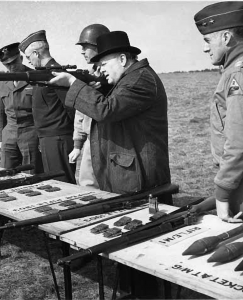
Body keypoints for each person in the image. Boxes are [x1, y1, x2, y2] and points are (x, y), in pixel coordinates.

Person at [49, 30, 171, 299]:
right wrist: (90, 86)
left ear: (124, 59)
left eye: (104, 64)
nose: (101, 70)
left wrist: (74, 84)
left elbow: (107, 109)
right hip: (129, 176)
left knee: (141, 244)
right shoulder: (129, 78)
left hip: (142, 180)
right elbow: (105, 103)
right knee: (129, 244)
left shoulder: (139, 80)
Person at [192, 1, 243, 222]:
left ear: (226, 38)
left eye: (207, 40)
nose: (205, 48)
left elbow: (240, 141)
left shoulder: (239, 75)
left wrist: (222, 194)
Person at [19, 30, 76, 183]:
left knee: (63, 183)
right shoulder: (43, 73)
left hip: (58, 138)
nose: (28, 61)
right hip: (49, 137)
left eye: (28, 56)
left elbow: (71, 107)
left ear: (36, 53)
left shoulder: (55, 73)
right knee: (55, 182)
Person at [69, 24, 110, 188]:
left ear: (99, 48)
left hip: (110, 140)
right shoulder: (89, 76)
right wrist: (77, 144)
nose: (82, 51)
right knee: (87, 185)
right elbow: (80, 114)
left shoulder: (113, 77)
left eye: (86, 47)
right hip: (89, 142)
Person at [0, 42, 43, 173]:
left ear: (21, 59)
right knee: (6, 173)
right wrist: (0, 138)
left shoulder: (35, 77)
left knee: (32, 174)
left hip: (31, 134)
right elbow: (0, 113)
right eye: (7, 64)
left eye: (13, 62)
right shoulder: (1, 81)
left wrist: (42, 137)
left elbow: (43, 111)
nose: (11, 67)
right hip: (9, 135)